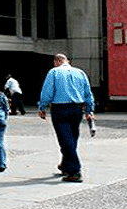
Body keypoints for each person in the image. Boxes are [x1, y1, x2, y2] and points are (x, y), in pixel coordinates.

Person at [38, 53, 95, 183]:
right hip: (77, 109)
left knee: (65, 139)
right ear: (67, 61)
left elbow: (47, 91)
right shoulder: (80, 73)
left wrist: (42, 107)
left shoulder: (54, 72)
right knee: (72, 137)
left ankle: (75, 171)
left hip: (60, 108)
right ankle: (65, 164)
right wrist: (89, 109)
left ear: (56, 61)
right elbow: (88, 93)